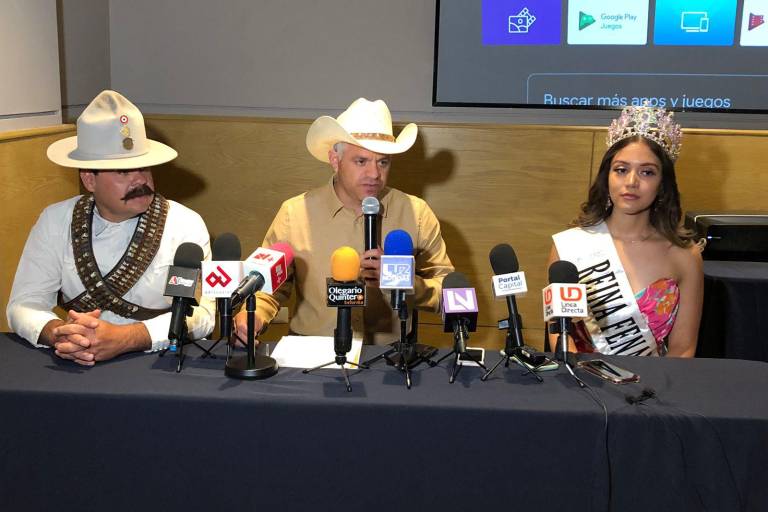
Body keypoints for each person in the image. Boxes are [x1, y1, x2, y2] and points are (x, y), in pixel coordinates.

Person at [7, 90, 215, 366]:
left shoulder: (184, 224)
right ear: (89, 180)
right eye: (123, 171)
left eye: (145, 168)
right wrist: (60, 334)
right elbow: (24, 304)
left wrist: (127, 338)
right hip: (76, 358)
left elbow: (204, 314)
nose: (140, 180)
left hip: (157, 361)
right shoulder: (55, 221)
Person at [235, 98, 454, 344]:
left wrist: (405, 283)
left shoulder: (416, 213)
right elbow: (268, 287)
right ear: (334, 160)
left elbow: (449, 292)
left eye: (383, 162)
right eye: (361, 161)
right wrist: (253, 317)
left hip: (390, 357)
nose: (374, 174)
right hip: (311, 353)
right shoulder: (294, 214)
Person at [548, 106, 703, 357]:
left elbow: (683, 350)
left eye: (647, 172)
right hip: (583, 378)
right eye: (621, 169)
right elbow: (559, 335)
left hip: (657, 380)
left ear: (662, 184)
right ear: (607, 176)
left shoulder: (685, 255)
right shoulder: (569, 248)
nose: (631, 182)